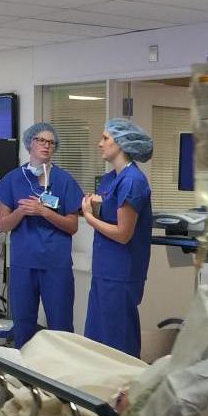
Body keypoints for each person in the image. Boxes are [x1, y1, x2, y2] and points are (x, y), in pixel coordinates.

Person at [0, 122, 84, 348]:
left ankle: (60, 377)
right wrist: (22, 212)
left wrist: (43, 212)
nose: (46, 145)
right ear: (29, 144)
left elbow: (72, 226)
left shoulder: (64, 181)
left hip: (56, 265)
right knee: (23, 323)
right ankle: (24, 374)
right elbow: (4, 224)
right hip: (24, 264)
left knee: (61, 326)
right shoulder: (13, 179)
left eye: (51, 142)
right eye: (41, 140)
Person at [82, 119, 153, 358]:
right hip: (104, 271)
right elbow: (111, 208)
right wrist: (97, 206)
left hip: (122, 273)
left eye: (105, 138)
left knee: (118, 342)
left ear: (122, 143)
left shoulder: (133, 181)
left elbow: (123, 234)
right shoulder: (111, 178)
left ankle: (125, 392)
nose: (99, 143)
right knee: (97, 339)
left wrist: (90, 218)